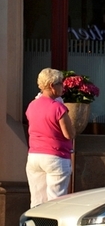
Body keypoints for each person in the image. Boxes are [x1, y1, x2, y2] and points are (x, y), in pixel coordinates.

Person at [25, 68, 76, 207]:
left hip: (34, 156)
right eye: (61, 83)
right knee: (55, 202)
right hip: (56, 157)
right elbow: (69, 134)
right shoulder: (58, 108)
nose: (63, 86)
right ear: (52, 86)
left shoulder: (32, 105)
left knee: (37, 201)